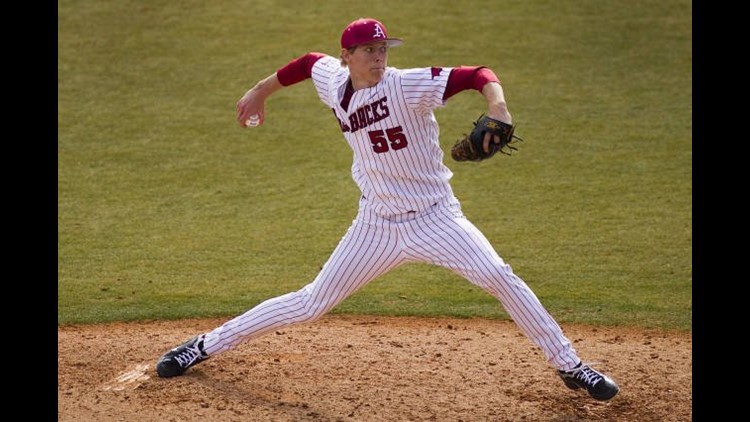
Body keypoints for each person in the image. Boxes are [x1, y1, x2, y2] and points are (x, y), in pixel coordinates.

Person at [155, 17, 619, 401]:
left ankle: (570, 365)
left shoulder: (407, 85)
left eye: (383, 49)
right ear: (349, 58)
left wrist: (500, 106)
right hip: (375, 225)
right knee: (311, 302)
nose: (379, 58)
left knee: (500, 276)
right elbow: (305, 63)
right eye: (369, 51)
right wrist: (260, 90)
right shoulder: (334, 82)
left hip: (436, 218)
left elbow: (478, 74)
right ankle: (203, 345)